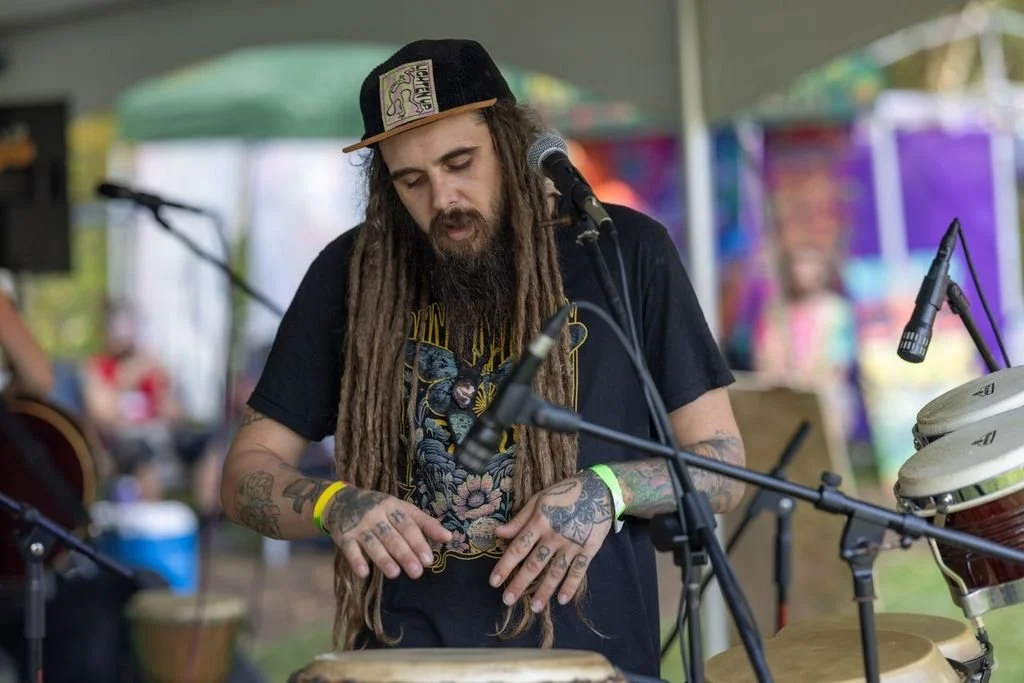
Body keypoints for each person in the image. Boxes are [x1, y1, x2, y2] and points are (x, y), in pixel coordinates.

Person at [220, 39, 745, 678]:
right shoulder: (351, 275)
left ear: (509, 141)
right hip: (407, 668)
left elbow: (725, 470)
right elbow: (245, 471)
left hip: (590, 668)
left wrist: (610, 490)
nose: (443, 198)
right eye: (411, 181)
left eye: (460, 162)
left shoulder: (624, 252)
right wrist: (335, 505)